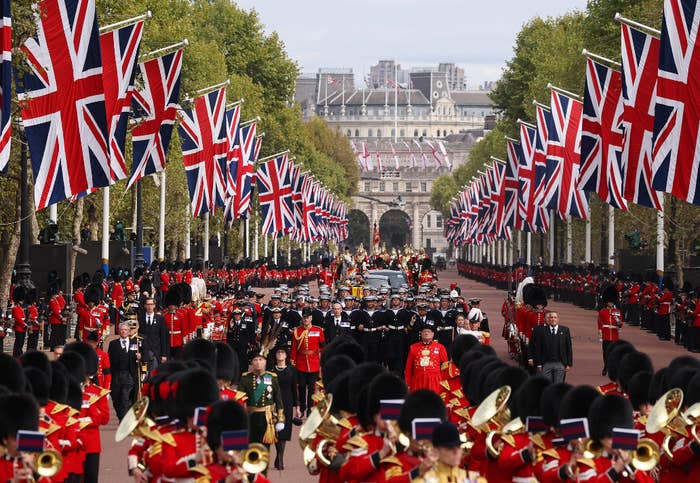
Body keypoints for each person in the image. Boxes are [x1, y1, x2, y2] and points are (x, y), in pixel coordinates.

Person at [238, 350, 285, 448]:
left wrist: (280, 419)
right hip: (251, 417)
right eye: (255, 360)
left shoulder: (272, 377)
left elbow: (278, 399)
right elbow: (240, 399)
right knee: (251, 446)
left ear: (265, 362)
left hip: (266, 417)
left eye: (261, 359)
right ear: (252, 362)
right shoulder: (245, 378)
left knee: (265, 448)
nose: (258, 362)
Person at [268, 345, 300, 470]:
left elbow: (294, 389)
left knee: (285, 430)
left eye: (283, 353)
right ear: (275, 355)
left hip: (287, 401)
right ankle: (279, 458)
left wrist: (297, 406)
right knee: (276, 429)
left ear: (286, 355)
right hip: (274, 401)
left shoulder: (292, 370)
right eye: (278, 352)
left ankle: (280, 457)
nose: (280, 354)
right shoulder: (271, 370)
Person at [291, 306, 325, 415]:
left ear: (311, 318)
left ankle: (310, 408)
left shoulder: (318, 330)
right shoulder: (297, 331)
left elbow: (323, 346)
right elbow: (294, 348)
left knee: (311, 387)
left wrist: (320, 359)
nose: (306, 319)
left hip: (314, 363)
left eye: (308, 317)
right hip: (301, 363)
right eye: (304, 317)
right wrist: (293, 361)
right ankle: (302, 406)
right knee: (301, 387)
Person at [528, 311, 572, 383]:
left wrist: (569, 364)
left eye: (555, 317)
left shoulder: (565, 330)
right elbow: (537, 347)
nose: (552, 319)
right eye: (550, 317)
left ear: (558, 319)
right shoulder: (541, 330)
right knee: (546, 384)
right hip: (546, 363)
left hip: (560, 363)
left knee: (559, 385)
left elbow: (569, 348)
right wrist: (538, 363)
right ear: (546, 319)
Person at [107, 322, 140, 420]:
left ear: (129, 331)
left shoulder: (135, 343)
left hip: (129, 374)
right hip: (117, 375)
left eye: (125, 330)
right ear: (119, 331)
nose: (123, 331)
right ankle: (121, 416)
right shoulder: (113, 344)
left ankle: (126, 419)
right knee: (116, 398)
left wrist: (140, 357)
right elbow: (109, 360)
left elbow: (143, 357)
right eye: (122, 330)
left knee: (125, 398)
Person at [404, 323, 448, 393]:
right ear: (421, 334)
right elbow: (408, 368)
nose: (426, 333)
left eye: (429, 332)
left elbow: (445, 366)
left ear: (433, 334)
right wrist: (408, 383)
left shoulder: (440, 347)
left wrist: (444, 382)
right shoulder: (413, 347)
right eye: (424, 332)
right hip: (418, 380)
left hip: (435, 380)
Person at [138, 297, 169, 373]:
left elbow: (163, 337)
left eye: (151, 304)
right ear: (145, 306)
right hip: (143, 351)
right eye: (148, 304)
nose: (149, 306)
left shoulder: (160, 319)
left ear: (154, 306)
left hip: (156, 351)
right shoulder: (140, 318)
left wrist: (164, 354)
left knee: (154, 374)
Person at [598, 285, 623, 376]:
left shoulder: (618, 312)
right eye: (609, 302)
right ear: (606, 302)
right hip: (606, 334)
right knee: (605, 352)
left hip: (614, 335)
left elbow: (620, 323)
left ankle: (612, 368)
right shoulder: (602, 311)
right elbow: (600, 324)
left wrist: (619, 323)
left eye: (612, 302)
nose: (611, 304)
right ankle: (605, 366)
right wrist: (600, 335)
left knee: (614, 353)